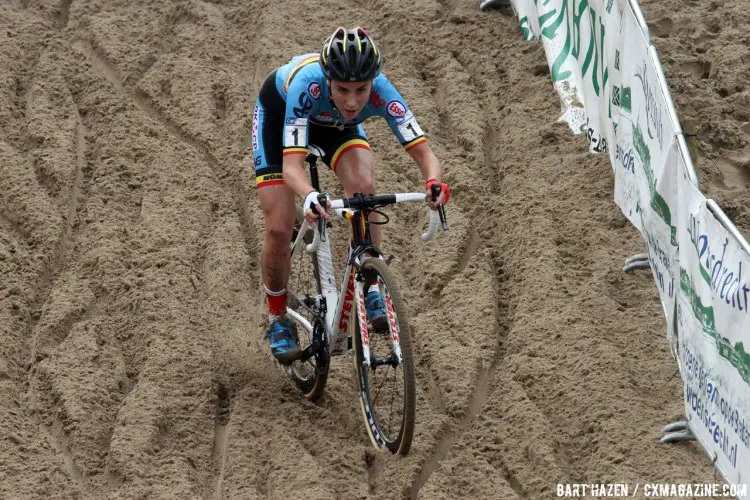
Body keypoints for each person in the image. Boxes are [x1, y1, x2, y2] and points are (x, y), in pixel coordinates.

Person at [252, 26, 450, 364]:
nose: (353, 101)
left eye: (361, 90)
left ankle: (370, 282)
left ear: (374, 81)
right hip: (280, 118)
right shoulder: (307, 85)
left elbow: (425, 154)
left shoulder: (383, 92)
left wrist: (434, 183)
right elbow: (292, 169)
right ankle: (277, 317)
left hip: (337, 131)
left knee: (364, 189)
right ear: (328, 79)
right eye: (342, 89)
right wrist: (310, 195)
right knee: (279, 228)